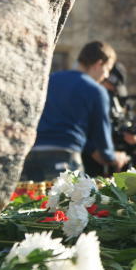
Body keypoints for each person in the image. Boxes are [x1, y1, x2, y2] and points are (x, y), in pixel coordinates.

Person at [21, 41, 129, 181]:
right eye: (107, 69)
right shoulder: (97, 91)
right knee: (69, 202)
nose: (106, 75)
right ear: (99, 64)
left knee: (31, 202)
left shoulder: (49, 80)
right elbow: (104, 147)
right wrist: (116, 157)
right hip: (64, 158)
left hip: (31, 155)